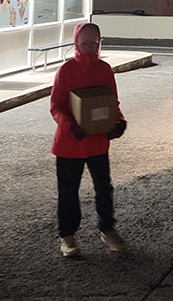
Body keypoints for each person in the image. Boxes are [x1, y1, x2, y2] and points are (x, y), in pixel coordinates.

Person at [49, 22, 127, 257]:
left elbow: (112, 103)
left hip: (98, 142)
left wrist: (119, 121)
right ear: (76, 43)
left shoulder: (104, 69)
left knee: (104, 188)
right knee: (68, 191)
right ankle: (67, 236)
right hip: (69, 143)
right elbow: (56, 107)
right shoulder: (66, 71)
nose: (90, 48)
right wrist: (71, 126)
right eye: (85, 43)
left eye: (94, 43)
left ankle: (107, 228)